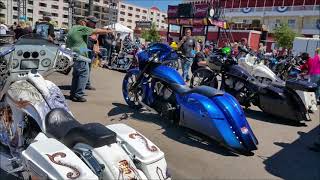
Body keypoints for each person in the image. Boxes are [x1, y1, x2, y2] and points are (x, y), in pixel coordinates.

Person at [66, 17, 112, 102]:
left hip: (75, 54)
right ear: (81, 22)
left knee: (76, 76)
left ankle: (73, 94)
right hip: (81, 55)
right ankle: (78, 95)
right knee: (84, 74)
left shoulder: (72, 29)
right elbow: (97, 31)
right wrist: (108, 31)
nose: (86, 23)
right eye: (85, 22)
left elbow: (67, 44)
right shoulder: (81, 28)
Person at [85, 16, 99, 91]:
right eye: (94, 22)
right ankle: (82, 84)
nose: (95, 24)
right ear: (89, 21)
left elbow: (96, 41)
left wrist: (96, 50)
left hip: (90, 51)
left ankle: (87, 83)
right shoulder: (83, 28)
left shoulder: (94, 30)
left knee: (88, 68)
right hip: (83, 50)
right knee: (82, 68)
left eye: (95, 22)